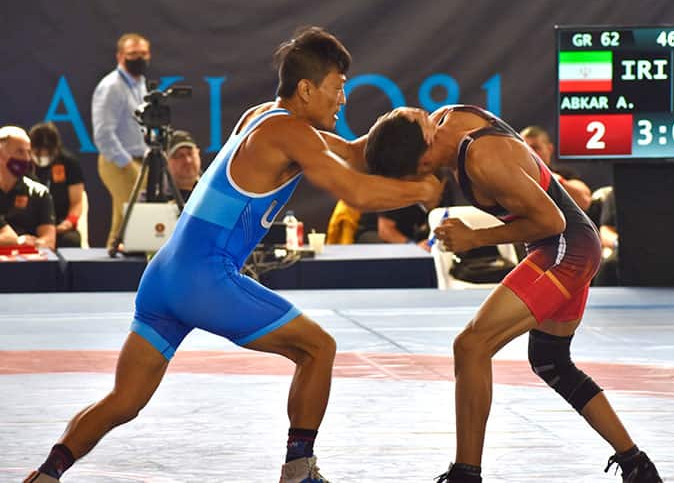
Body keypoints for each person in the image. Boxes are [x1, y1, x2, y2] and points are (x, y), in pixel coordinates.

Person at [24, 27, 442, 483]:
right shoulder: (291, 133)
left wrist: (400, 123)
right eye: (338, 87)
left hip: (163, 277)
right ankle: (299, 470)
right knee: (318, 349)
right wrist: (422, 190)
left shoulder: (264, 117)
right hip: (206, 279)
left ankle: (47, 473)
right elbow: (355, 190)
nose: (343, 99)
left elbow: (357, 155)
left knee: (124, 400)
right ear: (306, 89)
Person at [364, 105, 661, 483]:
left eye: (415, 176)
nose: (421, 184)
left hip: (564, 247)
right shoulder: (441, 121)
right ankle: (637, 465)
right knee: (551, 361)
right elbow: (375, 143)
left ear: (423, 159)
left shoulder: (482, 157)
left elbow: (551, 221)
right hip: (564, 245)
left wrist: (476, 237)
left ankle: (465, 475)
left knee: (471, 345)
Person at [92, 33, 151, 250]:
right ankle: (120, 261)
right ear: (120, 56)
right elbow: (103, 133)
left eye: (143, 53)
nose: (139, 58)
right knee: (133, 219)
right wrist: (126, 163)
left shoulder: (140, 84)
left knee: (122, 221)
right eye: (133, 54)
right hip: (118, 161)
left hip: (139, 159)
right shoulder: (112, 87)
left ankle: (114, 261)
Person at [28, 122, 85, 248]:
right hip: (29, 226)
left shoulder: (69, 163)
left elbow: (77, 202)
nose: (42, 156)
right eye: (38, 153)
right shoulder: (23, 164)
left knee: (71, 240)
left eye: (47, 153)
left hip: (59, 225)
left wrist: (68, 223)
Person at [0, 126, 56, 251]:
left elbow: (48, 241)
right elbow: (10, 239)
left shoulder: (39, 193)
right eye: (20, 151)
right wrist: (16, 242)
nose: (26, 158)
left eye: (28, 152)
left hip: (28, 259)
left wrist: (30, 245)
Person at [519, 125, 592, 211]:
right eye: (524, 148)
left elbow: (584, 201)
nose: (530, 153)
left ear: (549, 149)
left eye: (535, 148)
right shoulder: (512, 178)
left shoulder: (564, 175)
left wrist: (553, 180)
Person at [164, 129, 201, 203]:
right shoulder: (153, 200)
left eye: (190, 153)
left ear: (198, 153)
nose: (188, 160)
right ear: (166, 161)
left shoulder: (215, 192)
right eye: (179, 156)